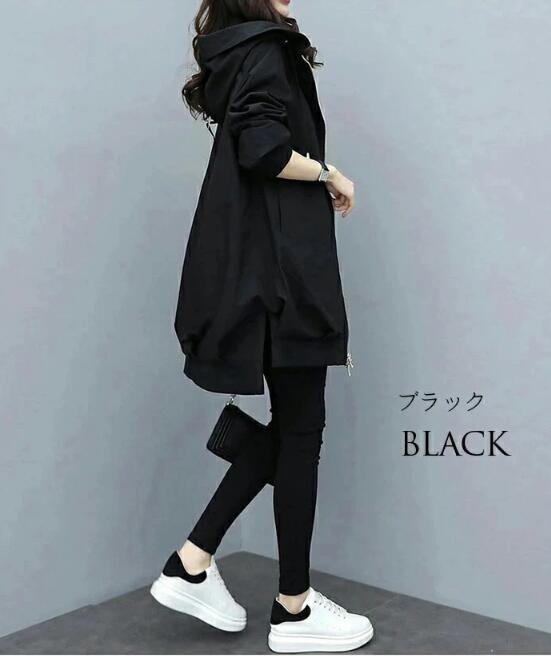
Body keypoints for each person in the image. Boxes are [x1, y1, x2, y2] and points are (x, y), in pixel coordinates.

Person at [150, 0, 374, 652]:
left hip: (261, 274)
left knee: (296, 431)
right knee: (301, 434)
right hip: (283, 280)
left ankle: (193, 562)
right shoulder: (269, 50)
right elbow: (263, 149)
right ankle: (292, 610)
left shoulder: (240, 53)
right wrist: (330, 174)